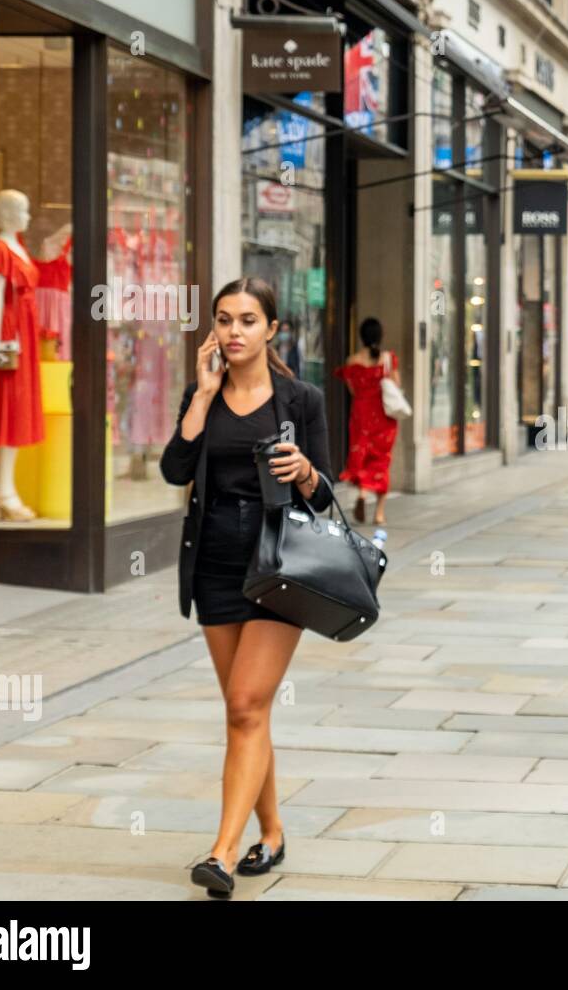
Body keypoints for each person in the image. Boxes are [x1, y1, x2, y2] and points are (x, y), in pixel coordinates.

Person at [160, 277, 334, 899]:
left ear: (272, 329)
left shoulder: (301, 399)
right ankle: (274, 831)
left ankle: (223, 853)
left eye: (248, 320)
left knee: (244, 706)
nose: (235, 331)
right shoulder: (200, 392)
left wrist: (308, 473)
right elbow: (173, 470)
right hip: (213, 566)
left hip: (279, 569)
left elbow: (327, 494)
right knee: (248, 713)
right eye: (225, 320)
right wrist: (203, 398)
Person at [335, 317, 400, 525]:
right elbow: (396, 386)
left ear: (361, 336)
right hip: (383, 416)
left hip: (361, 415)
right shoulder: (388, 359)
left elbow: (353, 390)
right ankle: (379, 513)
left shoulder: (352, 361)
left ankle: (362, 494)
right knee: (381, 460)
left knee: (361, 456)